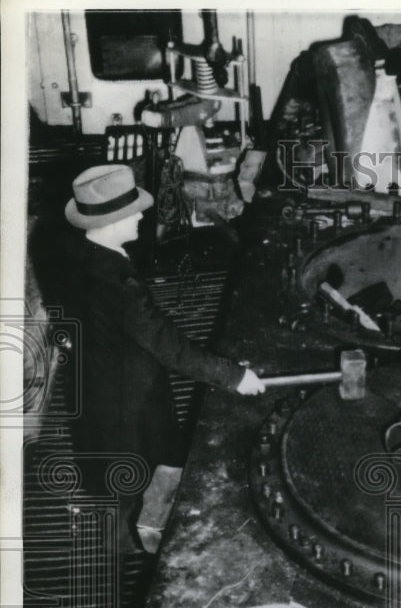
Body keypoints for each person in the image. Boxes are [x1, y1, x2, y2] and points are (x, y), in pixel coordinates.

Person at [61, 163, 265, 549]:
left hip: (103, 381)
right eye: (131, 211)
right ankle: (120, 561)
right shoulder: (118, 282)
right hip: (127, 400)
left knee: (127, 469)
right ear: (109, 222)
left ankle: (134, 529)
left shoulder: (83, 254)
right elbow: (166, 345)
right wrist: (233, 375)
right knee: (126, 482)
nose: (140, 214)